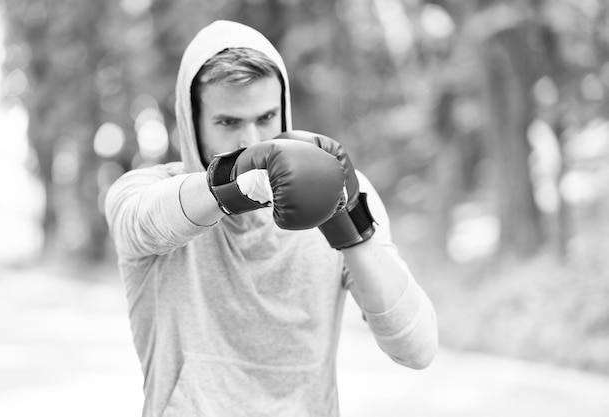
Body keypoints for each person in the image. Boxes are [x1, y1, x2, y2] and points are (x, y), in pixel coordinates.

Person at [105, 20, 438, 417]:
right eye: (228, 122)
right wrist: (232, 182)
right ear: (191, 123)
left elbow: (416, 349)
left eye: (266, 118)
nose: (252, 140)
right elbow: (140, 224)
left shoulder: (336, 188)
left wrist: (349, 223)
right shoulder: (145, 190)